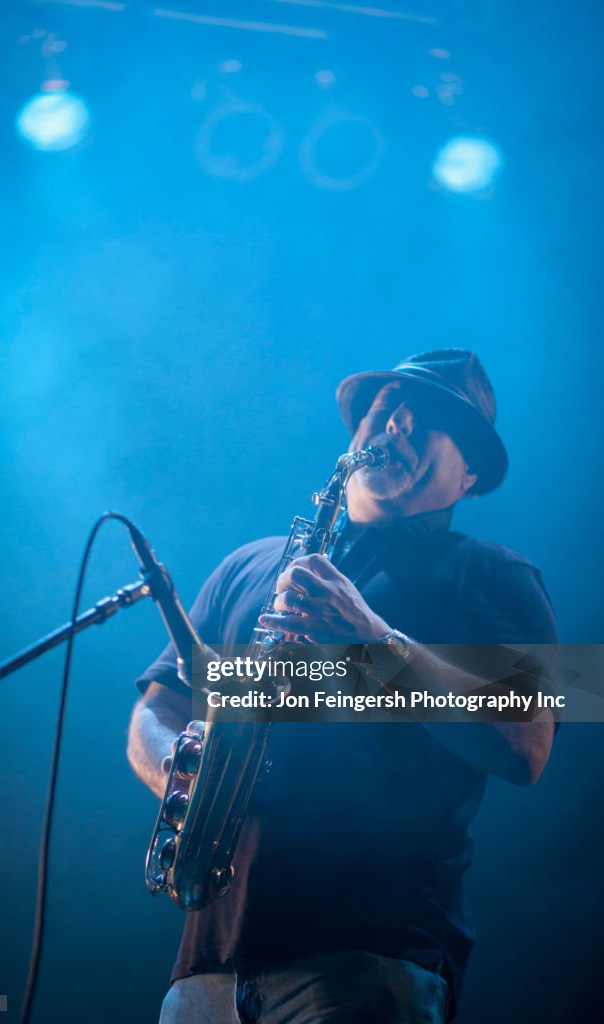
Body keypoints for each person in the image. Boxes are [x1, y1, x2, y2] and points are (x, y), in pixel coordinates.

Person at [127, 349, 558, 1024]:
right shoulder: (249, 564)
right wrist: (183, 773)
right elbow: (159, 706)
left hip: (368, 960)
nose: (394, 427)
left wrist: (368, 638)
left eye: (426, 423)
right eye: (385, 412)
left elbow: (526, 746)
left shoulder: (494, 577)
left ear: (469, 475)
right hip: (205, 967)